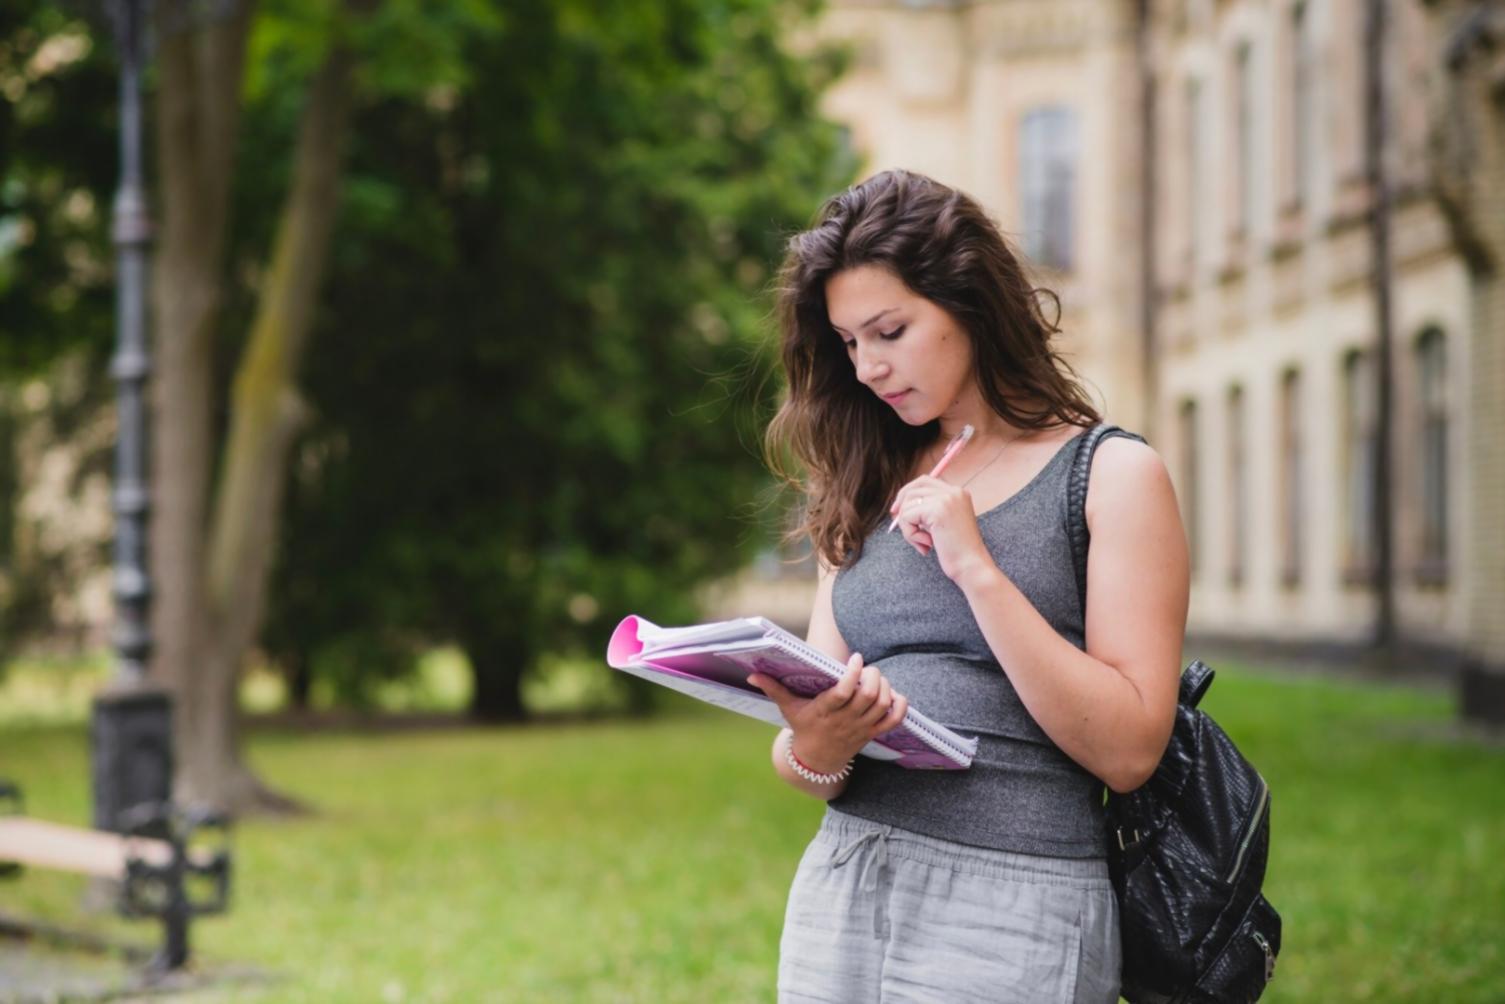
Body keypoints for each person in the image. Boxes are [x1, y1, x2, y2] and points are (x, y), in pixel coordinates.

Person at [747, 170, 1190, 1003]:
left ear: (970, 305)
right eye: (848, 343)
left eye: (889, 330)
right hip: (843, 882)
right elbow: (798, 753)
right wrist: (817, 745)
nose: (869, 366)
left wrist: (976, 568)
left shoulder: (1110, 476)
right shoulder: (859, 480)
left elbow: (1130, 751)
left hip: (1014, 904)